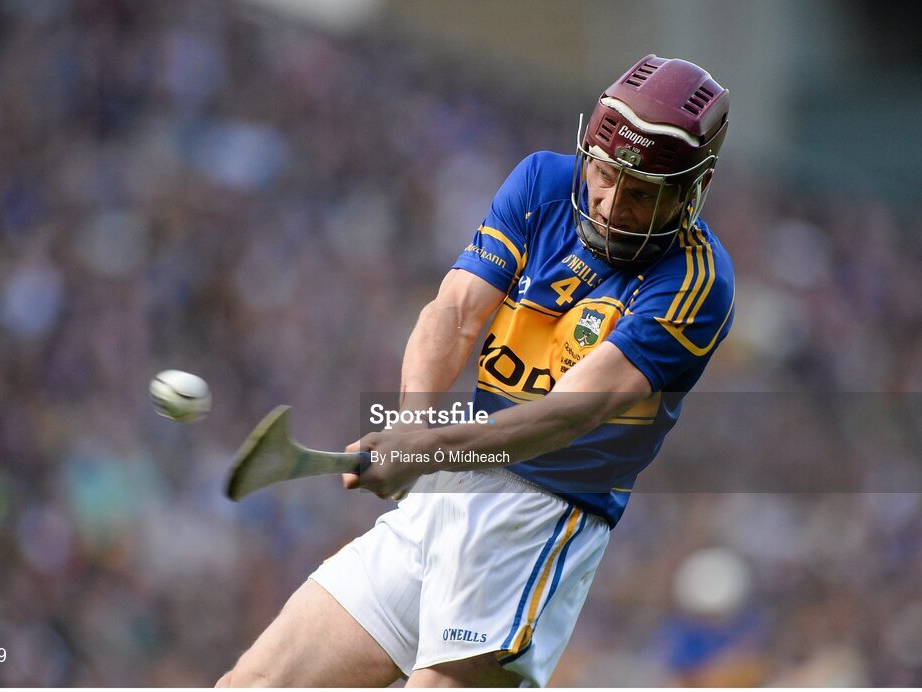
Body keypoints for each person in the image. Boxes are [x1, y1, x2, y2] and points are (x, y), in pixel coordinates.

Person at [217, 54, 734, 688]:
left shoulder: (696, 283)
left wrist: (425, 448)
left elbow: (566, 414)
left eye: (642, 193)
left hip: (535, 523)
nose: (610, 202)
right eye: (604, 172)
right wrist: (412, 425)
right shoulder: (545, 183)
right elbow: (455, 311)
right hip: (445, 497)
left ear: (693, 188)